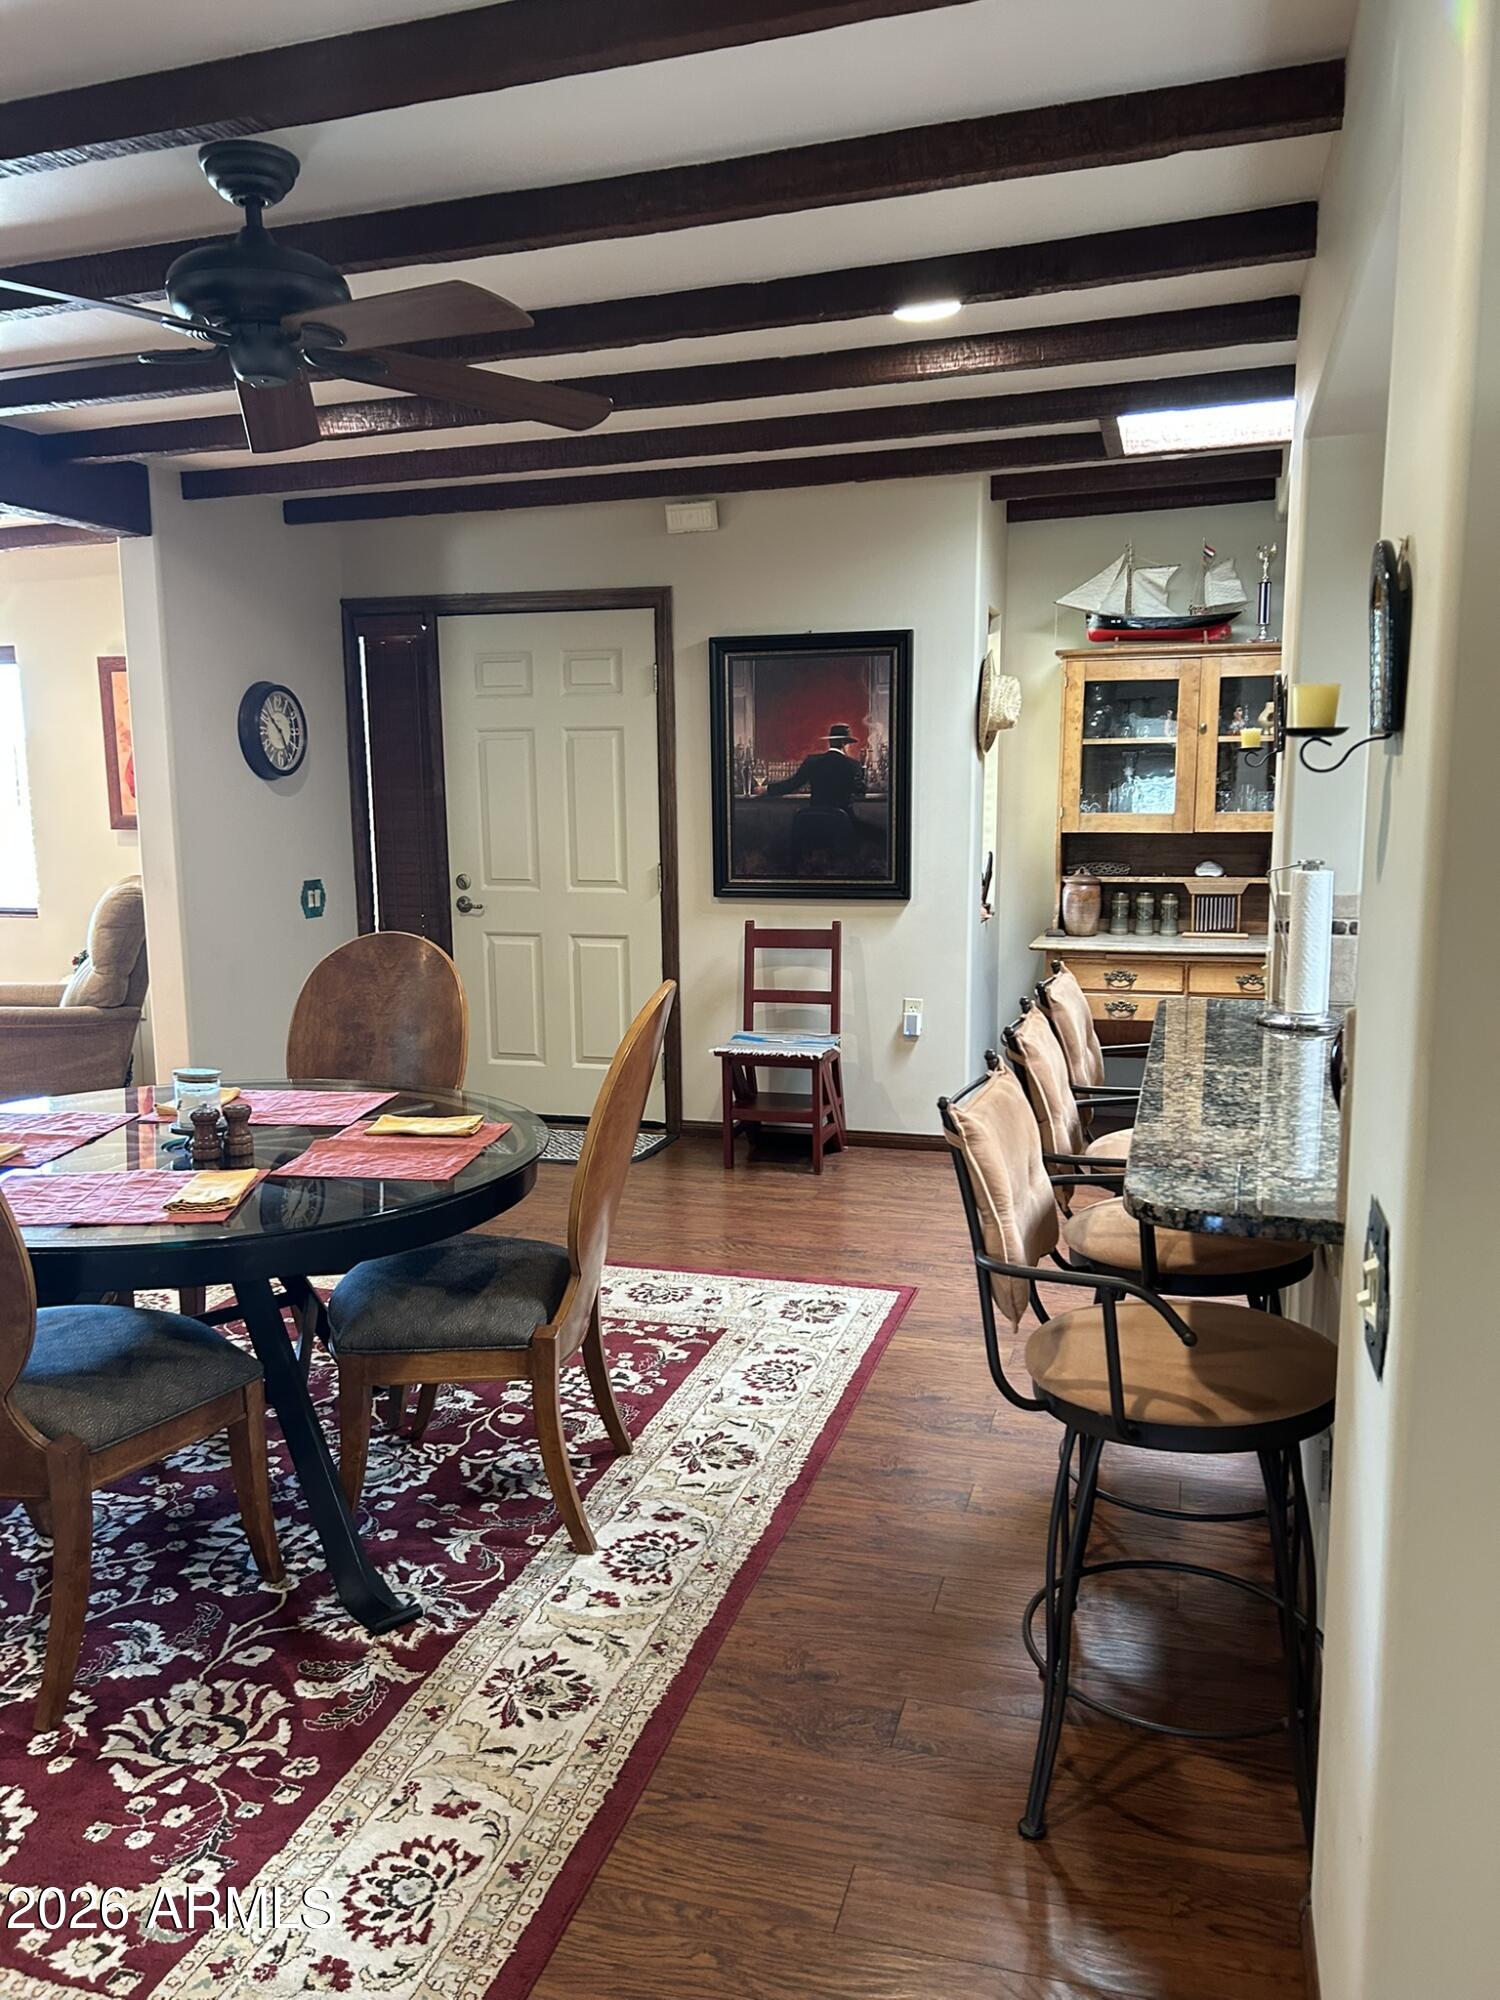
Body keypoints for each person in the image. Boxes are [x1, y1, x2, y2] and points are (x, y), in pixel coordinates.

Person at [755, 722, 866, 868]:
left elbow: (793, 784)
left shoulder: (813, 761)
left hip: (813, 822)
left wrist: (767, 789)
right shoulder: (853, 765)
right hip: (842, 822)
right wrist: (863, 769)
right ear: (846, 744)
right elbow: (860, 791)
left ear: (830, 742)